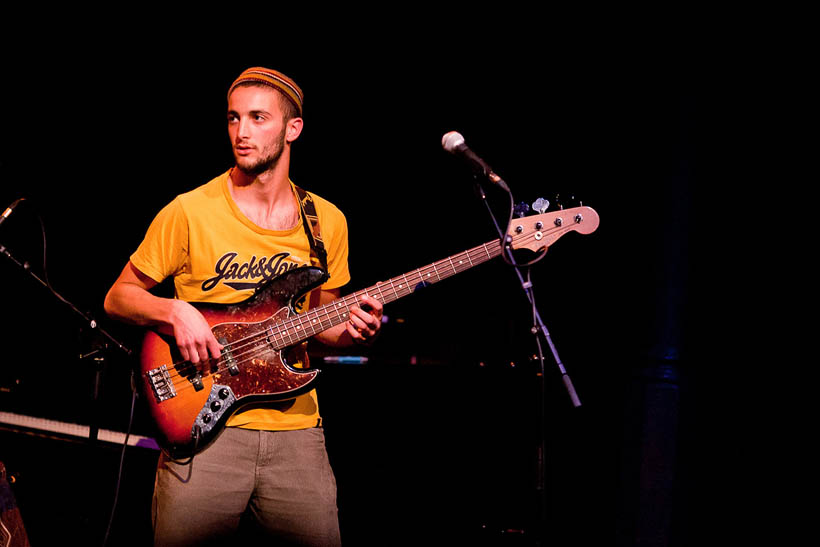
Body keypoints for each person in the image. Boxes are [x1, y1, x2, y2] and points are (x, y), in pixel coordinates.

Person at [104, 66, 382, 546]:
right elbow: (118, 297)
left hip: (297, 434)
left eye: (258, 118)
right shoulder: (190, 210)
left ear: (292, 129)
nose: (242, 132)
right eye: (234, 118)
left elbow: (322, 326)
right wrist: (175, 311)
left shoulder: (327, 221)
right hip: (204, 429)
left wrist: (352, 330)